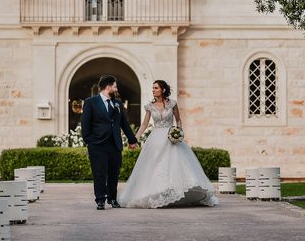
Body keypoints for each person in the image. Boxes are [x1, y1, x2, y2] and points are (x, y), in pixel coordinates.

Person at [118, 80, 218, 208]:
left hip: (171, 138)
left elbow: (178, 120)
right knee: (156, 167)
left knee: (174, 166)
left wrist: (178, 132)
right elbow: (144, 124)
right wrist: (134, 139)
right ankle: (157, 194)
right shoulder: (149, 106)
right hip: (155, 139)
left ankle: (175, 193)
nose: (153, 90)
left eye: (156, 88)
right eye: (152, 88)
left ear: (163, 90)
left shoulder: (172, 104)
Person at [81, 74, 139, 210]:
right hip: (97, 145)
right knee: (99, 173)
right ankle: (100, 200)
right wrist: (89, 141)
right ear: (108, 87)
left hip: (115, 144)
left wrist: (132, 140)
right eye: (115, 86)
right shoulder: (91, 102)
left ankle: (112, 199)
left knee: (114, 174)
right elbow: (85, 124)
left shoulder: (118, 103)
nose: (116, 88)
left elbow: (124, 124)